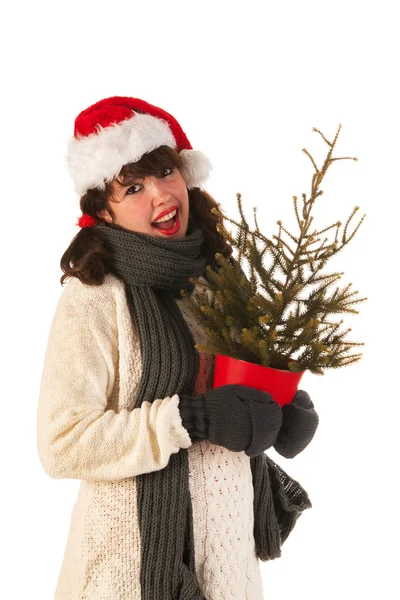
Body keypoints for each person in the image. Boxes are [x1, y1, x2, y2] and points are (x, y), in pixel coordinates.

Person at [36, 96, 319, 600]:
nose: (160, 194)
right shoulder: (95, 298)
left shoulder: (220, 282)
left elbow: (243, 392)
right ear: (104, 209)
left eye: (165, 171)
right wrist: (191, 420)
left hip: (231, 568)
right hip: (128, 575)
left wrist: (283, 407)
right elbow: (62, 442)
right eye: (134, 187)